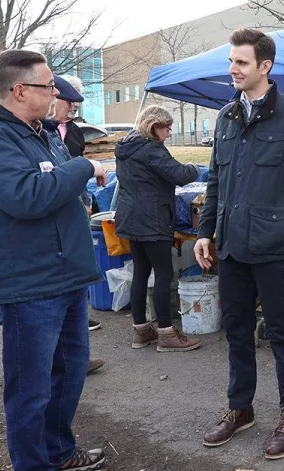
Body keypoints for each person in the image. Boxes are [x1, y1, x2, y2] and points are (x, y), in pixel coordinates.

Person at [0, 49, 107, 471]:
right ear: (20, 90)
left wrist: (71, 179)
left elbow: (58, 190)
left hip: (66, 274)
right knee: (31, 388)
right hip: (27, 285)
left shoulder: (38, 131)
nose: (56, 93)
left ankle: (58, 453)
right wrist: (81, 166)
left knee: (69, 375)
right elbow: (29, 196)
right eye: (49, 86)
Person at [194, 28, 284, 459]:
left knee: (282, 334)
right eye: (231, 61)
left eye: (241, 62)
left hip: (275, 249)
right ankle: (241, 409)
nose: (232, 69)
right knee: (236, 331)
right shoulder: (227, 116)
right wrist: (204, 231)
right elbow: (217, 178)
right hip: (233, 247)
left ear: (264, 67)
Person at [115, 105, 201, 352]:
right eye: (167, 127)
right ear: (154, 126)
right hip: (152, 218)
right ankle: (166, 332)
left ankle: (141, 329)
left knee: (141, 272)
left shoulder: (126, 147)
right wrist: (196, 168)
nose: (169, 133)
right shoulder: (151, 149)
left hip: (130, 217)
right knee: (164, 273)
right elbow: (180, 174)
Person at [44, 75, 106, 374]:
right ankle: (63, 360)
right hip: (52, 231)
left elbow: (73, 165)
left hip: (74, 212)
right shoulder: (39, 134)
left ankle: (75, 356)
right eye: (69, 103)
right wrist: (86, 169)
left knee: (75, 287)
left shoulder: (63, 133)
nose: (73, 109)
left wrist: (85, 199)